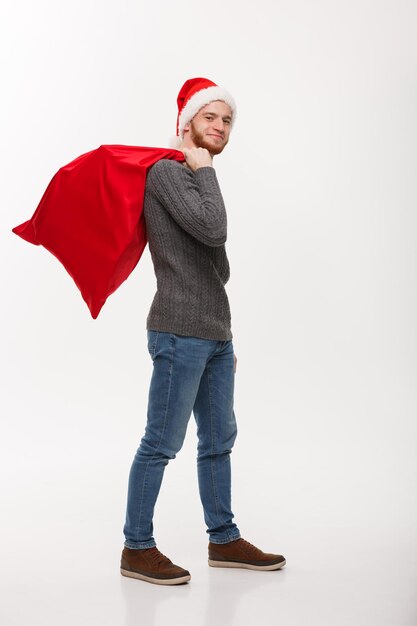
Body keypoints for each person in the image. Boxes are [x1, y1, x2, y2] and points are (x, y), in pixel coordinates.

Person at [120, 77, 286, 585]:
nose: (219, 126)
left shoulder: (192, 176)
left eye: (227, 119)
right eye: (210, 117)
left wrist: (221, 336)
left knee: (218, 440)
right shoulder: (170, 173)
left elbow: (220, 267)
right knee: (161, 442)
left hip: (212, 333)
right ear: (187, 122)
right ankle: (136, 547)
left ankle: (224, 538)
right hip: (178, 331)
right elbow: (214, 232)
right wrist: (206, 173)